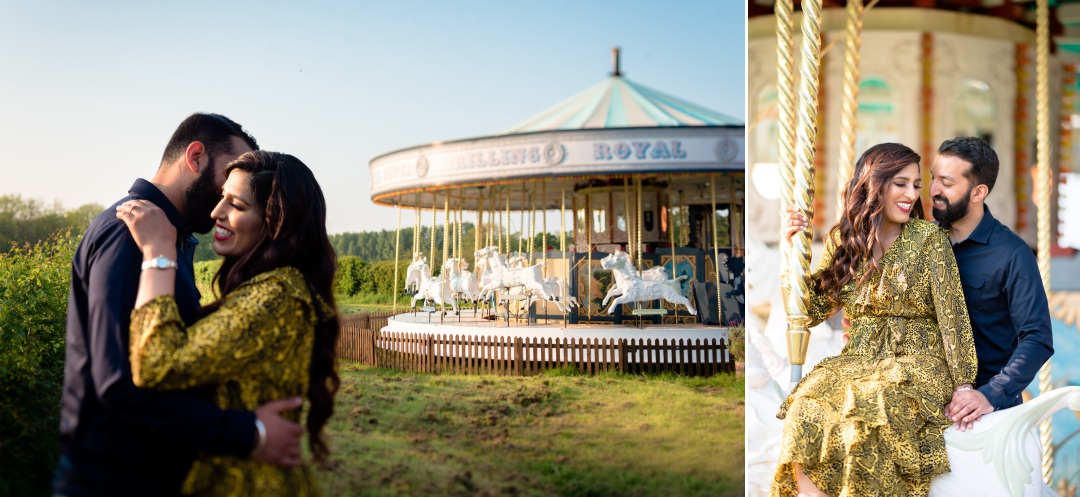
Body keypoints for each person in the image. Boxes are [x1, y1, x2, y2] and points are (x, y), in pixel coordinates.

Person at [56, 114, 303, 497]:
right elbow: (119, 384)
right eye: (228, 177)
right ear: (196, 157)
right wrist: (247, 432)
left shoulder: (170, 236)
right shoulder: (131, 233)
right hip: (114, 479)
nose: (223, 202)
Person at [117, 150, 339, 496]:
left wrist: (158, 253)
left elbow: (157, 363)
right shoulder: (267, 288)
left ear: (275, 222)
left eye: (236, 206)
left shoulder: (276, 297)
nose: (215, 212)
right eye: (223, 197)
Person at [772, 143, 977, 497]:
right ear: (874, 185)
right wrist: (790, 250)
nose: (911, 194)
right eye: (901, 183)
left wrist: (963, 383)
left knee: (873, 404)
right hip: (859, 357)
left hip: (919, 359)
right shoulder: (845, 240)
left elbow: (953, 316)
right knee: (804, 405)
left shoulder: (929, 240)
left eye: (915, 185)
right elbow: (811, 310)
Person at [929, 137, 1054, 430]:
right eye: (933, 179)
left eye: (946, 182)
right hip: (924, 398)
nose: (934, 190)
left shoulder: (1012, 254)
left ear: (978, 192)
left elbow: (1037, 338)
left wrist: (990, 395)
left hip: (984, 412)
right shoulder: (922, 242)